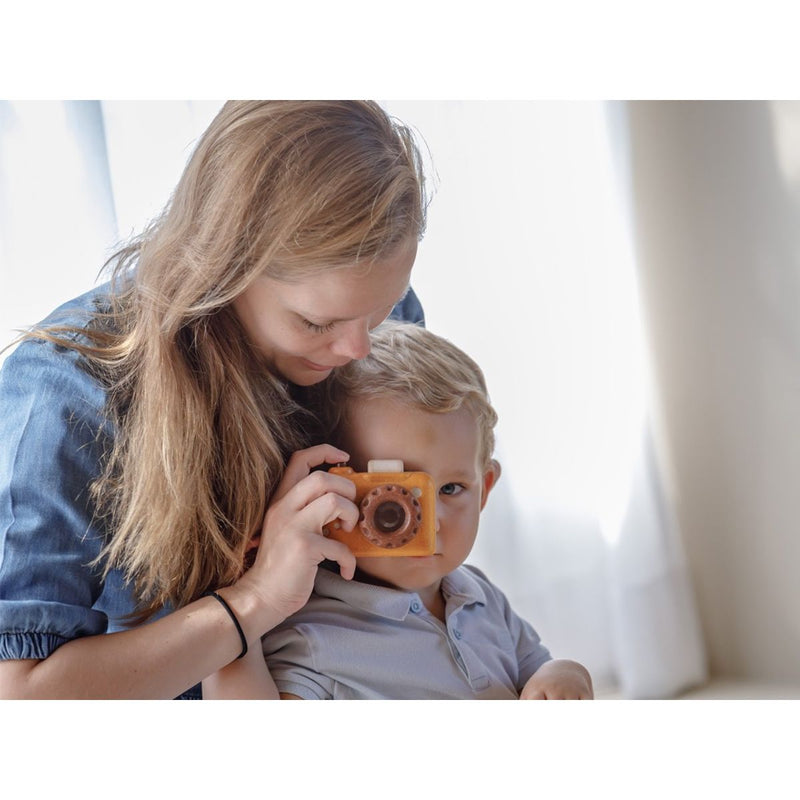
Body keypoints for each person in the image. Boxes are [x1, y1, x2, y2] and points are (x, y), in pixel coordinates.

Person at [0, 101, 428, 699]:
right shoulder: (67, 390)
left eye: (380, 312)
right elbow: (22, 698)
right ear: (223, 267)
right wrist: (253, 601)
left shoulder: (375, 324)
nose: (359, 348)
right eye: (314, 322)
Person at [203, 322, 594, 699]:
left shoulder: (480, 596)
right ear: (326, 492)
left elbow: (535, 669)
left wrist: (563, 673)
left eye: (452, 489)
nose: (432, 520)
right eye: (396, 498)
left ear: (485, 490)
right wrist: (240, 622)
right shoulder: (315, 633)